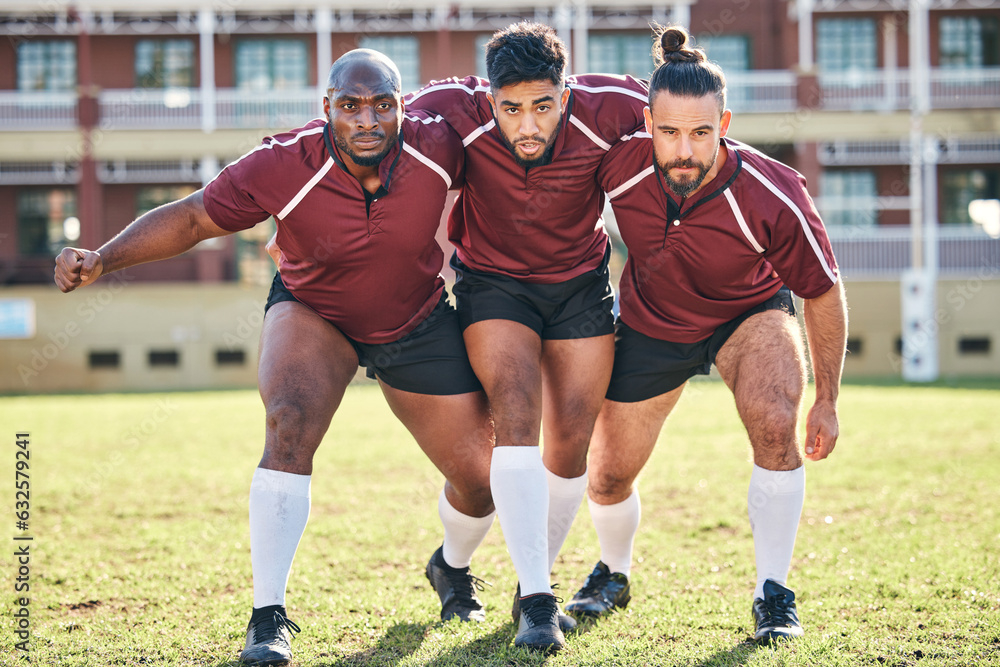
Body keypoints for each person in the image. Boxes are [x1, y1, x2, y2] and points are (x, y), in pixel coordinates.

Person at [54, 49, 498, 667]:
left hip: (415, 318)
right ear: (327, 111)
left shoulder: (440, 142)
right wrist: (103, 258)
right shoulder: (283, 163)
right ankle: (268, 617)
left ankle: (451, 568)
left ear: (401, 106)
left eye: (382, 105)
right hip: (316, 310)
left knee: (483, 480)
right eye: (350, 106)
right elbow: (190, 220)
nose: (367, 120)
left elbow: (528, 96)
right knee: (287, 421)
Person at [564, 25, 848, 644]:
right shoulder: (619, 167)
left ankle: (773, 591)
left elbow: (822, 290)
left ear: (725, 121)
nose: (683, 149)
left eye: (700, 132)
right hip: (651, 321)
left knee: (777, 425)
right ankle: (613, 573)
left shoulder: (774, 190)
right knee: (607, 475)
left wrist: (826, 398)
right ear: (647, 121)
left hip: (748, 314)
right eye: (668, 132)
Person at [404, 22, 648, 651]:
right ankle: (538, 600)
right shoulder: (452, 108)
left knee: (572, 439)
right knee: (516, 414)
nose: (528, 125)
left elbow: (690, 124)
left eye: (543, 105)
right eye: (511, 109)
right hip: (494, 285)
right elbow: (366, 131)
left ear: (565, 94)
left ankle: (484, 575)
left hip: (579, 285)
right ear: (490, 100)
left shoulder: (613, 107)